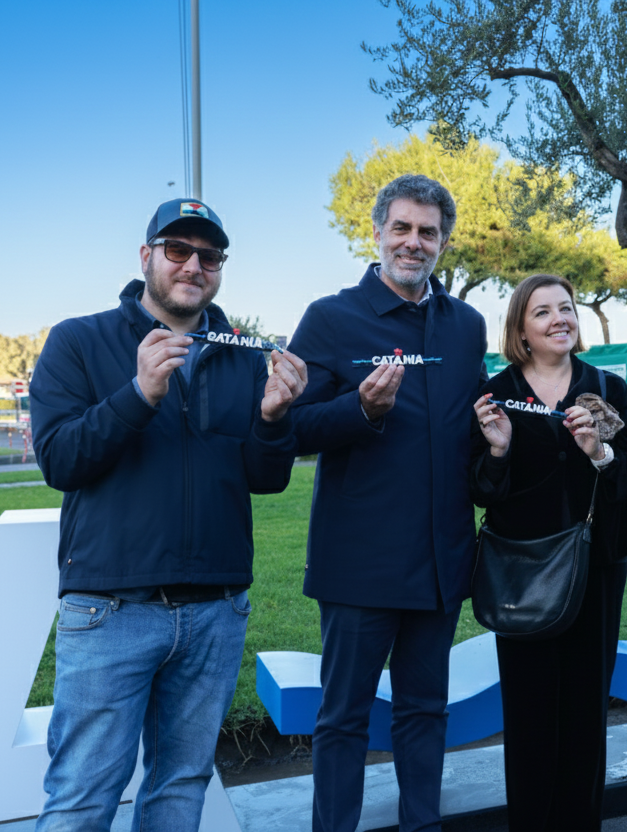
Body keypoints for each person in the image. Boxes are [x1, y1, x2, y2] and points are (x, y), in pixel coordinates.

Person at [29, 198, 307, 831]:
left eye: (209, 255)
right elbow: (59, 461)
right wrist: (138, 395)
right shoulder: (80, 339)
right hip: (110, 609)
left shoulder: (240, 354)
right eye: (178, 250)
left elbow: (267, 480)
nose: (193, 265)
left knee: (180, 788)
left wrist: (273, 418)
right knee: (81, 796)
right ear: (147, 256)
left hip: (215, 609)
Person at [288, 174, 488, 832]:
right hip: (359, 566)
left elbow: (472, 436)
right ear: (376, 233)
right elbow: (292, 430)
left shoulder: (466, 327)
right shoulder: (330, 318)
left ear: (443, 241)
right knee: (343, 718)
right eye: (401, 228)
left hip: (440, 563)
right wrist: (360, 409)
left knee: (426, 711)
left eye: (427, 231)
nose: (413, 241)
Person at [470, 273, 627, 831]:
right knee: (527, 715)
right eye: (542, 312)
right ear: (521, 328)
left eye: (566, 308)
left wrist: (600, 452)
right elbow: (478, 489)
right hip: (522, 574)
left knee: (584, 710)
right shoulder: (496, 393)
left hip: (595, 568)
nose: (559, 319)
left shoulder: (606, 387)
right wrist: (498, 450)